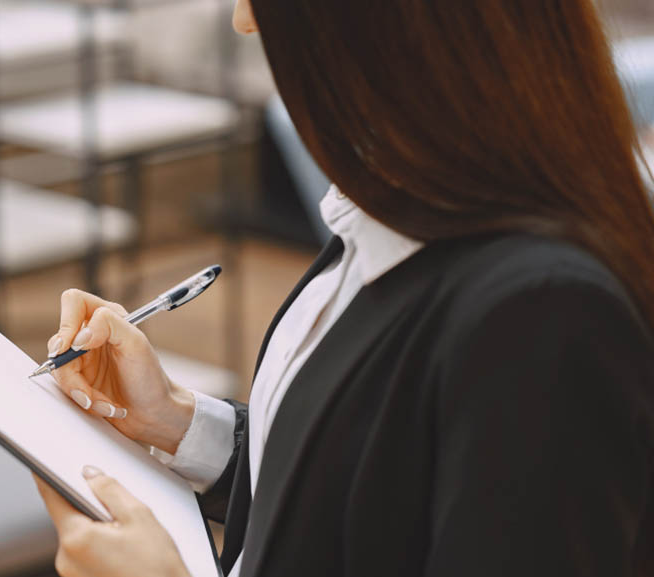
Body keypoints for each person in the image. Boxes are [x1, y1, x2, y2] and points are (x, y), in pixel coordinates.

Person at [33, 1, 654, 575]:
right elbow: (367, 492)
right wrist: (177, 421)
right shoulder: (386, 208)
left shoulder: (544, 319)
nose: (244, 20)